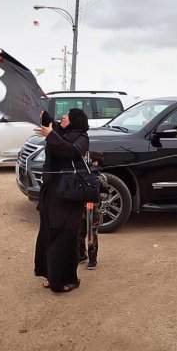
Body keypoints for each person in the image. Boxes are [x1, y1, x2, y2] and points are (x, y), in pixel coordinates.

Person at [34, 108, 89, 292]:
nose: (64, 116)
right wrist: (39, 106)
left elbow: (72, 152)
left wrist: (51, 135)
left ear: (75, 121)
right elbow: (48, 121)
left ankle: (66, 279)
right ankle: (50, 274)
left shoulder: (82, 138)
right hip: (51, 194)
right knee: (48, 234)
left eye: (68, 115)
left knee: (64, 237)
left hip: (69, 195)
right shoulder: (59, 131)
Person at [78, 151, 109, 270]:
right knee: (79, 232)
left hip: (94, 209)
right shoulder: (82, 174)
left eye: (88, 158)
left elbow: (105, 194)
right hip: (82, 207)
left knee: (92, 233)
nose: (85, 160)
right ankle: (81, 255)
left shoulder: (100, 177)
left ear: (95, 162)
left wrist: (97, 201)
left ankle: (92, 258)